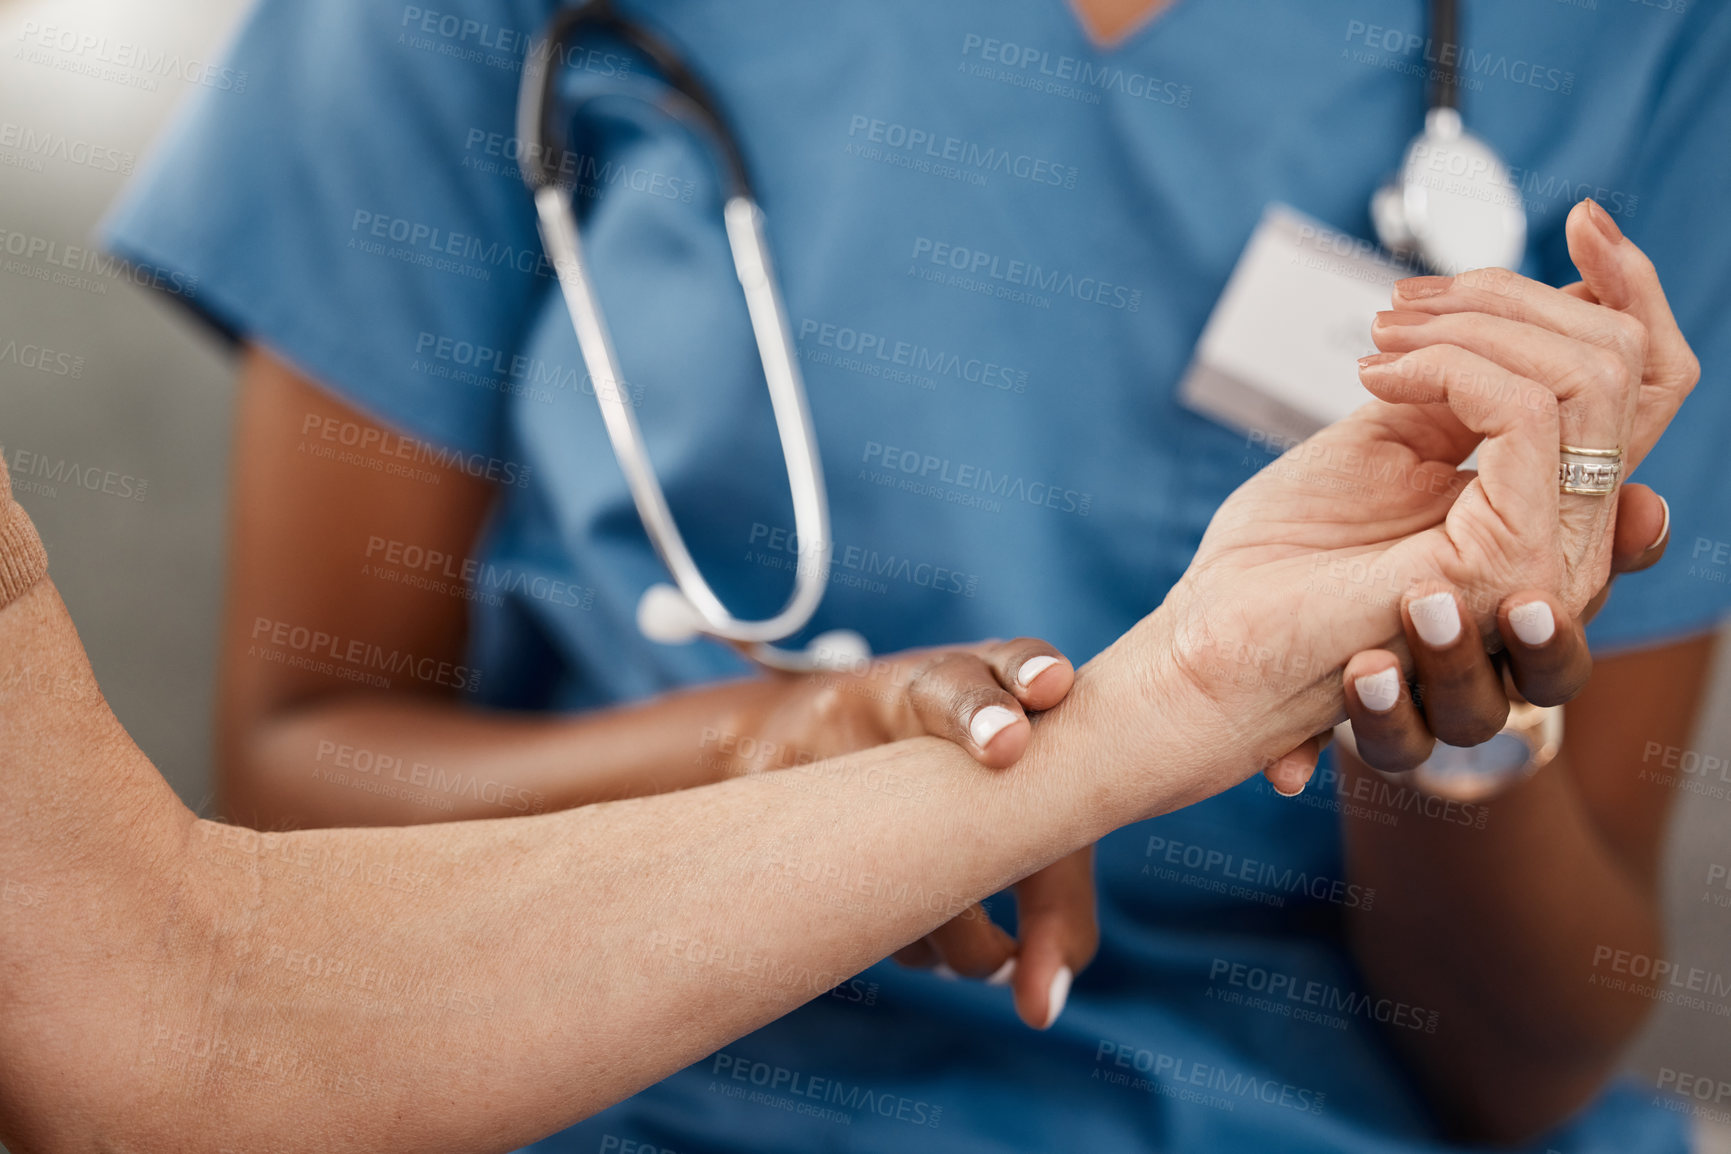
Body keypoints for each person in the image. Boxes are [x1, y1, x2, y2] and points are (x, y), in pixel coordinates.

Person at [97, 0, 1729, 1150]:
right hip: (592, 1080)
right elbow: (274, 860)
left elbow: (1528, 1067)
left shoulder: (1648, 46)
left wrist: (1450, 718)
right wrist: (768, 763)